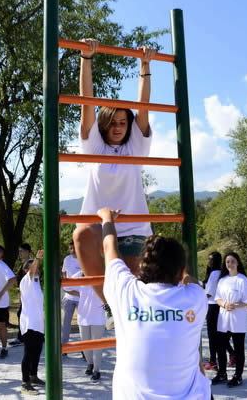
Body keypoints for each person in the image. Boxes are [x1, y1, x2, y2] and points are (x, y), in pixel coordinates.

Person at [72, 38, 156, 330]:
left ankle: (137, 338)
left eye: (123, 122)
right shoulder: (94, 147)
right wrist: (86, 59)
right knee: (81, 234)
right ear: (104, 124)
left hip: (133, 227)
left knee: (133, 294)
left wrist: (145, 66)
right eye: (114, 122)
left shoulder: (136, 147)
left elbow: (143, 108)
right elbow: (87, 104)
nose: (119, 127)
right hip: (100, 224)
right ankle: (107, 305)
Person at [99, 207, 210, 399]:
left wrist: (107, 218)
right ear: (180, 270)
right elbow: (191, 281)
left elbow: (110, 249)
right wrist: (184, 275)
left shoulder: (126, 292)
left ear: (143, 265)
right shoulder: (195, 298)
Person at [211, 252, 247, 387]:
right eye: (227, 261)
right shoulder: (222, 280)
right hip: (224, 317)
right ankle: (222, 373)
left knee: (238, 347)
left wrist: (236, 305)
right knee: (220, 345)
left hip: (238, 317)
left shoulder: (242, 280)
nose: (230, 264)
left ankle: (238, 375)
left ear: (238, 263)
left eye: (233, 261)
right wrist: (224, 304)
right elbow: (217, 298)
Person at [67, 269, 106, 381]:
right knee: (85, 344)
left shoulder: (101, 275)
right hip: (83, 316)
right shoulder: (81, 277)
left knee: (97, 345)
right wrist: (81, 271)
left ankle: (97, 370)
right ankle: (90, 364)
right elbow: (67, 287)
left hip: (98, 317)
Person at [20, 251, 46, 395]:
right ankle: (25, 383)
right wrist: (36, 258)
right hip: (29, 323)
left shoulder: (36, 283)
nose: (36, 269)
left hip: (38, 323)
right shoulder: (26, 280)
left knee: (37, 352)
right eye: (32, 267)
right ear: (26, 270)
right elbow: (32, 270)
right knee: (28, 353)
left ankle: (33, 376)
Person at [204, 251, 233, 371]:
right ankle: (232, 354)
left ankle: (212, 361)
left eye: (211, 259)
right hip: (219, 307)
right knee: (219, 335)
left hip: (212, 306)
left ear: (215, 261)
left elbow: (208, 293)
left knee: (212, 335)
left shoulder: (214, 273)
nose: (209, 261)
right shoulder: (221, 273)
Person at [10, 243, 32, 346]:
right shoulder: (24, 263)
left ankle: (22, 337)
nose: (20, 253)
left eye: (21, 251)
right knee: (23, 315)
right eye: (19, 251)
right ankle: (24, 336)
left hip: (29, 295)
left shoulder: (30, 263)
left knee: (22, 314)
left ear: (27, 252)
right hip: (24, 295)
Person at [61, 240, 81, 347]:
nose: (72, 250)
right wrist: (67, 286)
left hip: (80, 297)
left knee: (82, 324)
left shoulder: (83, 259)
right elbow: (64, 272)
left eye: (74, 248)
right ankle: (64, 347)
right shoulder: (67, 259)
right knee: (66, 324)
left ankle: (84, 350)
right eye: (70, 248)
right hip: (68, 297)